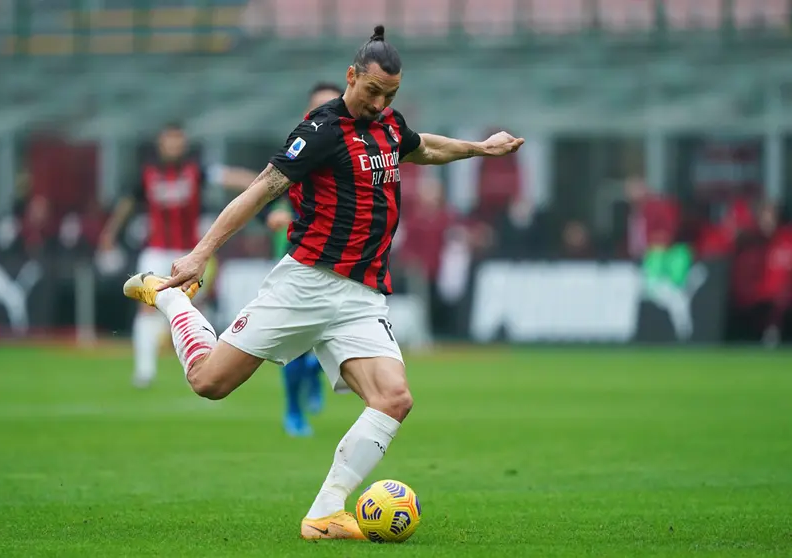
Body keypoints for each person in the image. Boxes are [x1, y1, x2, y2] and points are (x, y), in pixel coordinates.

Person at [123, 25, 523, 540]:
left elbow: (423, 148)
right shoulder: (320, 130)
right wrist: (201, 255)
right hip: (305, 285)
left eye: (391, 95)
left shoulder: (389, 125)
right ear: (350, 77)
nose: (380, 103)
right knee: (208, 383)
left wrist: (480, 149)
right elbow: (261, 190)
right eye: (373, 91)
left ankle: (325, 513)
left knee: (394, 398)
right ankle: (172, 299)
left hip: (361, 295)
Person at [100, 121, 255, 388]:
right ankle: (144, 371)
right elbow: (126, 204)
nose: (174, 145)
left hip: (190, 253)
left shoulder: (197, 170)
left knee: (196, 309)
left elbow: (229, 176)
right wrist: (109, 234)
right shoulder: (145, 174)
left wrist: (266, 181)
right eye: (170, 139)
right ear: (161, 143)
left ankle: (205, 368)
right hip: (156, 252)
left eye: (178, 139)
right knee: (147, 308)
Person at [266, 82, 345, 437]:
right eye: (319, 107)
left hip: (345, 267)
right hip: (301, 262)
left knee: (337, 345)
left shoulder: (357, 152)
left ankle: (316, 372)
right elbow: (274, 192)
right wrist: (279, 216)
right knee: (294, 347)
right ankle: (293, 411)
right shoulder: (299, 147)